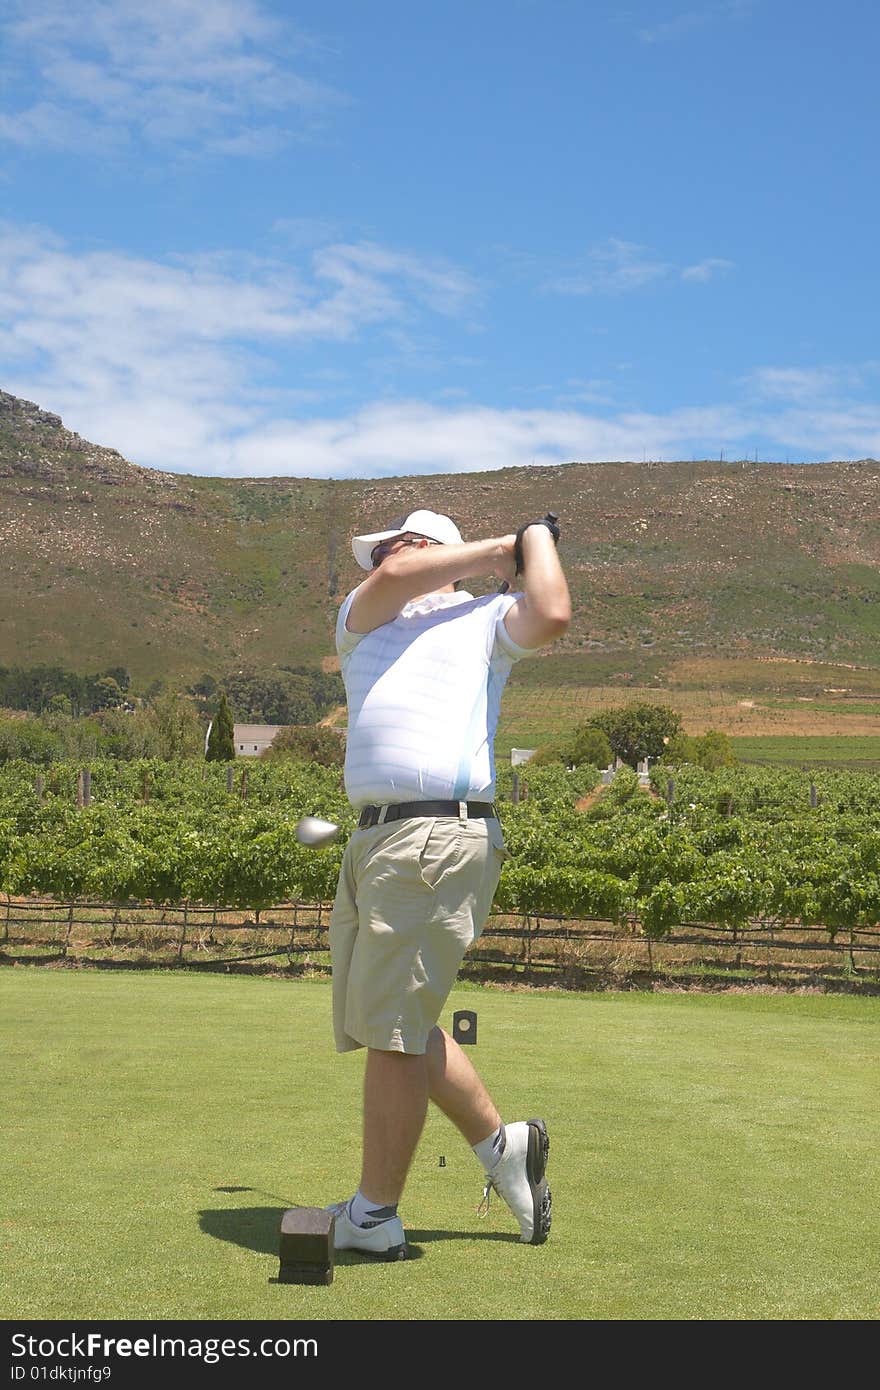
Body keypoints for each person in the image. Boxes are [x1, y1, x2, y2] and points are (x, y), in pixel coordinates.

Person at [327, 507, 571, 1260]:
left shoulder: (487, 621)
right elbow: (396, 579)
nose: (390, 556)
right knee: (393, 1018)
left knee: (393, 1030)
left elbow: (554, 610)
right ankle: (504, 1148)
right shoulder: (361, 618)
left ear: (450, 557)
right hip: (373, 839)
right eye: (387, 548)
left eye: (406, 542)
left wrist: (533, 546)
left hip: (434, 832)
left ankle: (373, 1218)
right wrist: (511, 543)